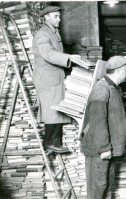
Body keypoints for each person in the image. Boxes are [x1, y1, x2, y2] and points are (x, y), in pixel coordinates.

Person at [32, 6, 80, 153]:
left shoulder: (54, 33)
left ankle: (55, 143)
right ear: (46, 17)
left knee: (57, 109)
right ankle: (50, 143)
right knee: (52, 110)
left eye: (59, 16)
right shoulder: (43, 35)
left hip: (55, 77)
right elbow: (48, 54)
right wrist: (68, 57)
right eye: (55, 16)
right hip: (47, 79)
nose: (59, 19)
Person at [80, 56, 126, 199]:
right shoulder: (101, 89)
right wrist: (104, 148)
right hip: (99, 150)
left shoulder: (112, 87)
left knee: (106, 185)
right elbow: (97, 121)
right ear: (119, 71)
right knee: (98, 188)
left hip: (108, 149)